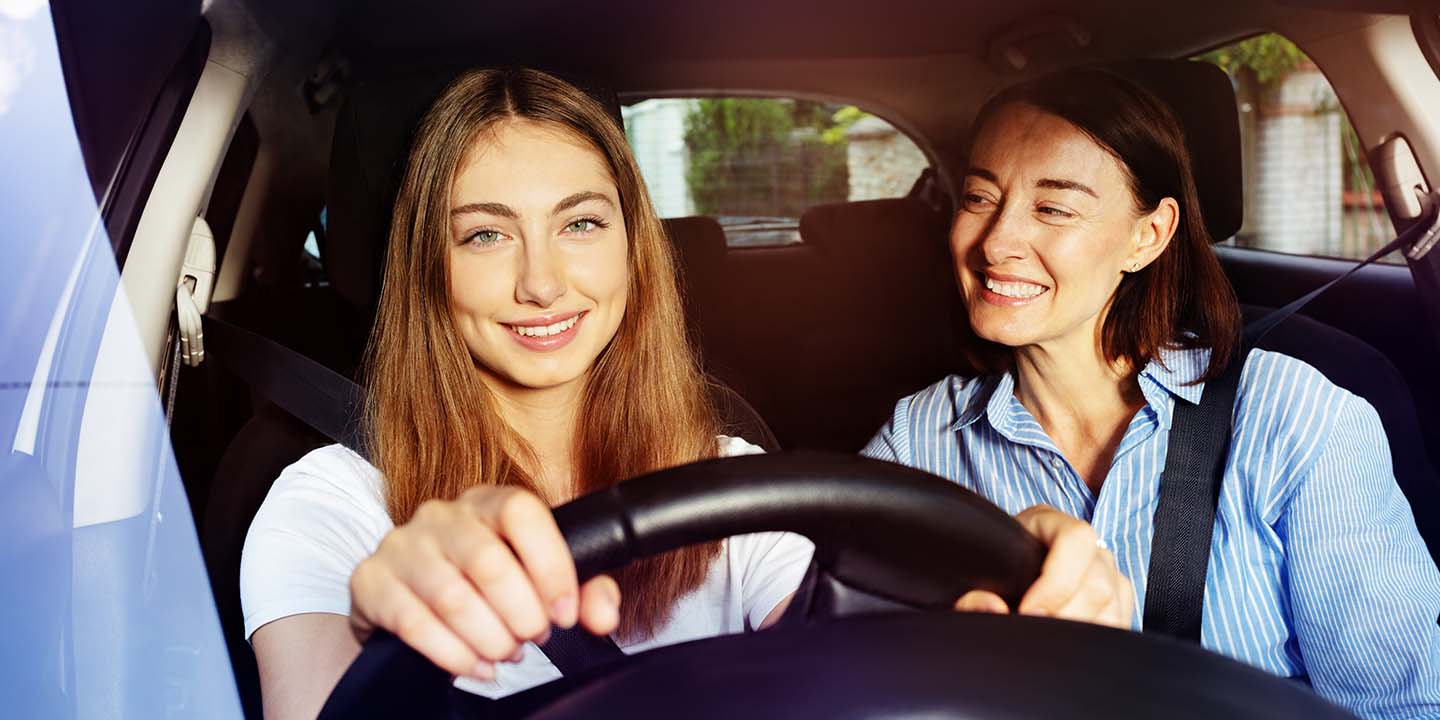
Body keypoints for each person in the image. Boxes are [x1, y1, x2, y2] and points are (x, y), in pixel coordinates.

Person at [239, 67, 1134, 720]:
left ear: (634, 247)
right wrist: (375, 626)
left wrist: (1001, 583)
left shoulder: (734, 480)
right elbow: (314, 700)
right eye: (484, 237)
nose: (543, 282)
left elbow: (851, 654)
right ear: (426, 267)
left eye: (582, 224)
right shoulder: (328, 506)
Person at [861, 67, 1440, 719]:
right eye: (977, 197)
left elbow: (1402, 707)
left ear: (1149, 235)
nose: (996, 241)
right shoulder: (918, 439)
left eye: (1053, 208)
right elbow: (847, 665)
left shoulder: (1292, 419)